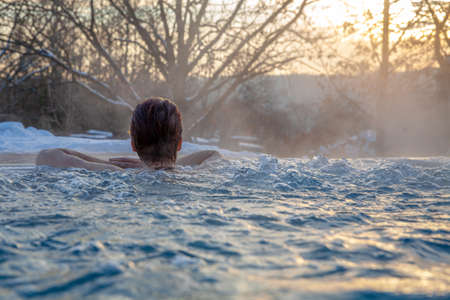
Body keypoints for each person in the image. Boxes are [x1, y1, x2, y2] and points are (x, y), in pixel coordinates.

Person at [36, 97, 219, 171]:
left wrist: (107, 167)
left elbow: (45, 156)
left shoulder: (118, 176)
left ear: (133, 144)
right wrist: (165, 167)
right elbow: (213, 154)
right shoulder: (197, 175)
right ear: (179, 144)